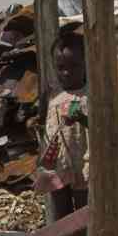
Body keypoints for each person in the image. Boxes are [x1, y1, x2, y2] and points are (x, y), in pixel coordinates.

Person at [37, 25, 91, 222]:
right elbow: (46, 125)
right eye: (61, 68)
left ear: (86, 64)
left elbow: (101, 128)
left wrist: (82, 119)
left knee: (84, 214)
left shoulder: (90, 96)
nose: (66, 73)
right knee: (61, 216)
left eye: (73, 66)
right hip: (59, 164)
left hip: (84, 166)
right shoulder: (53, 95)